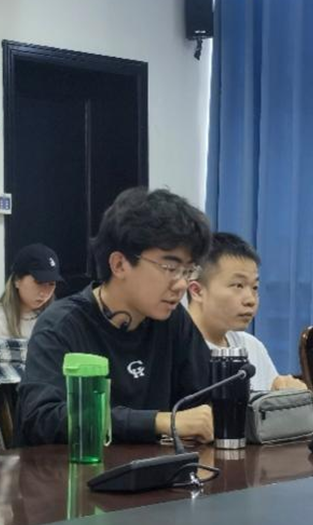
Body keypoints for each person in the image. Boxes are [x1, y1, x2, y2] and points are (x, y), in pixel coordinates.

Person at [16, 187, 214, 446]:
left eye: (188, 271)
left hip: (158, 468)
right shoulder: (62, 325)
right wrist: (156, 422)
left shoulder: (173, 321)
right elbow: (42, 419)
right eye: (170, 267)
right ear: (119, 264)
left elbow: (207, 396)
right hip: (75, 469)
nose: (181, 284)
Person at [187, 232, 306, 392]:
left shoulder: (251, 346)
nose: (250, 300)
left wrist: (289, 395)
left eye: (255, 287)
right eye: (238, 285)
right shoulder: (176, 349)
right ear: (197, 291)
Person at [0, 243, 63, 340]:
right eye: (39, 282)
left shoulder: (55, 320)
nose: (44, 292)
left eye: (51, 284)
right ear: (17, 280)